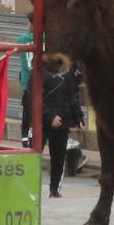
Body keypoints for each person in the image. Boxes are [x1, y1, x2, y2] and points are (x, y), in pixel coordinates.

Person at [39, 52, 84, 197]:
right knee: (33, 156)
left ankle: (54, 189)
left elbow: (73, 97)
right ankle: (29, 188)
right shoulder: (39, 74)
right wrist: (49, 116)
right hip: (42, 122)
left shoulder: (68, 75)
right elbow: (33, 99)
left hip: (62, 121)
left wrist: (78, 118)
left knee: (58, 157)